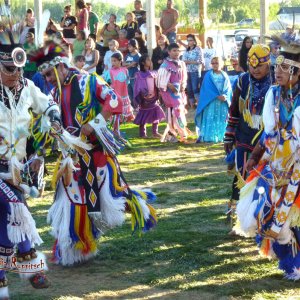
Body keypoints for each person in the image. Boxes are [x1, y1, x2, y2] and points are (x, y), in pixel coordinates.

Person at [31, 41, 157, 266]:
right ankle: (75, 248)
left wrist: (95, 123)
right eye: (46, 76)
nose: (48, 79)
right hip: (71, 159)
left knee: (113, 196)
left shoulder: (88, 81)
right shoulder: (54, 94)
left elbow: (115, 102)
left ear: (61, 66)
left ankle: (140, 209)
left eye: (50, 74)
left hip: (97, 154)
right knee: (72, 202)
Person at [0, 29, 61, 298]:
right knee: (15, 209)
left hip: (18, 167)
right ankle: (32, 266)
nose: (15, 75)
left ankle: (3, 277)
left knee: (6, 219)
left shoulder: (26, 87)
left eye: (19, 69)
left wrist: (54, 118)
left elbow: (47, 104)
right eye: (9, 69)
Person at [234, 39, 300, 280]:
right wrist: (254, 156)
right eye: (277, 67)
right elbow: (268, 134)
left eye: (285, 69)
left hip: (296, 170)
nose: (278, 73)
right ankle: (287, 250)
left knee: (292, 219)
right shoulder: (274, 94)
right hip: (273, 166)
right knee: (253, 216)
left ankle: (294, 262)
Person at [223, 45, 271, 233]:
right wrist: (228, 135)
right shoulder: (243, 81)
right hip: (244, 136)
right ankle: (238, 219)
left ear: (268, 64)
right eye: (252, 65)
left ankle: (262, 218)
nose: (255, 69)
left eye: (259, 65)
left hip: (268, 138)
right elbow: (234, 109)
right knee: (242, 175)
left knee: (265, 178)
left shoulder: (277, 83)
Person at [195, 56, 232, 143]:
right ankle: (209, 136)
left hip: (222, 101)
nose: (215, 65)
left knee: (222, 118)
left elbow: (228, 88)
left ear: (221, 64)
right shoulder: (208, 75)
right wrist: (216, 96)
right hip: (211, 101)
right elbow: (206, 88)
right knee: (211, 117)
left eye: (217, 63)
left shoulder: (225, 75)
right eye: (213, 63)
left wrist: (225, 96)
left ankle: (221, 135)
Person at [156, 43, 188, 143]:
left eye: (178, 51)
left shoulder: (181, 63)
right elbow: (160, 80)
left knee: (178, 111)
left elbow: (184, 76)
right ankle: (175, 133)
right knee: (174, 111)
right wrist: (170, 85)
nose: (176, 53)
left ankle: (176, 133)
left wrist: (183, 84)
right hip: (169, 92)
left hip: (178, 91)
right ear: (169, 52)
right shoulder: (165, 64)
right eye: (174, 51)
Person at [134, 54, 165, 138]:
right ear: (143, 63)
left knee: (156, 112)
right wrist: (143, 94)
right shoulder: (139, 75)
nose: (150, 62)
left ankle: (155, 132)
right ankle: (142, 133)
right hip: (144, 99)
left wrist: (158, 93)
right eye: (148, 60)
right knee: (143, 114)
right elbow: (138, 86)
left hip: (153, 98)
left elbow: (157, 84)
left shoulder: (153, 73)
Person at [110, 52, 134, 134]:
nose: (113, 63)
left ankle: (116, 130)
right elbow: (109, 82)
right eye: (112, 61)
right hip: (115, 95)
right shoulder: (110, 71)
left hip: (124, 94)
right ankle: (115, 130)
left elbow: (127, 82)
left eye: (115, 61)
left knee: (122, 114)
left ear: (120, 61)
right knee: (116, 113)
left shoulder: (125, 70)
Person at [182, 34, 204, 109]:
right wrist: (187, 62)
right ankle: (192, 105)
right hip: (187, 71)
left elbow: (200, 61)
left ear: (194, 41)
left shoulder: (198, 49)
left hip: (195, 71)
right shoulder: (186, 50)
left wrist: (189, 61)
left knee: (195, 88)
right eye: (188, 40)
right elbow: (183, 60)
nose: (189, 42)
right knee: (189, 89)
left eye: (190, 40)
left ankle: (199, 104)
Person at [123, 39, 141, 107]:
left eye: (130, 46)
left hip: (135, 77)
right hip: (128, 76)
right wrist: (130, 64)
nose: (129, 48)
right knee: (129, 92)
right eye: (128, 46)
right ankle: (132, 106)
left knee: (135, 91)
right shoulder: (128, 55)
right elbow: (123, 63)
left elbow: (132, 64)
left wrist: (128, 65)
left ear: (134, 46)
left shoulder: (138, 55)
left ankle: (137, 106)